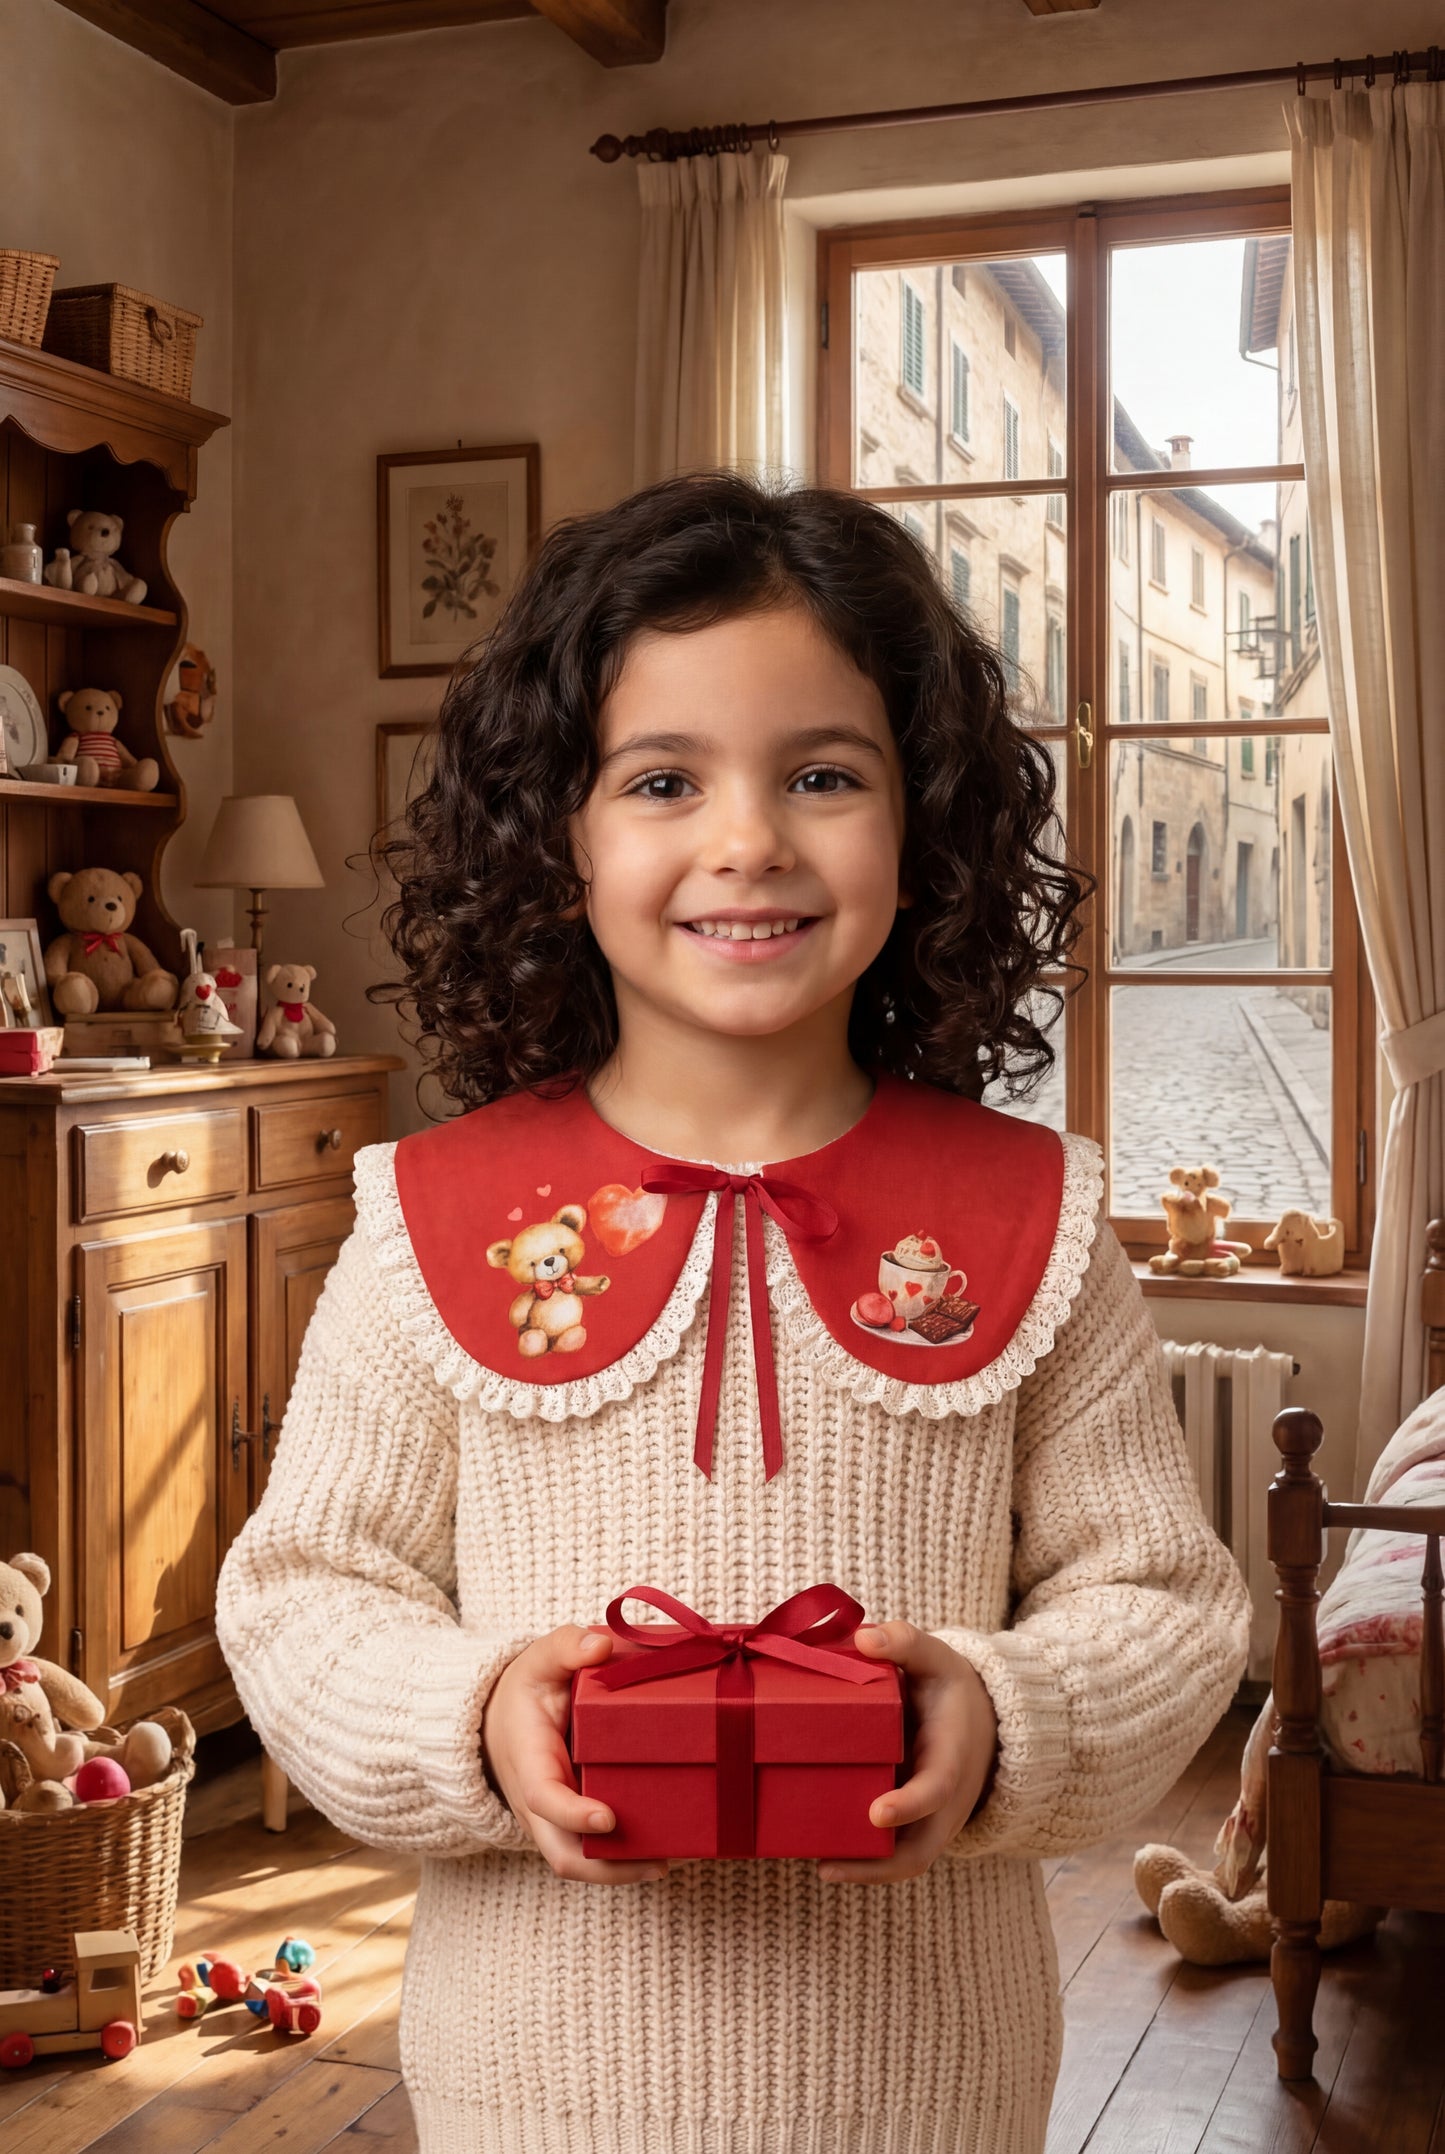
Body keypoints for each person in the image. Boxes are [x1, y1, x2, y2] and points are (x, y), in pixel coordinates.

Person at [216, 472, 1249, 2154]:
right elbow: (305, 1592)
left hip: (929, 2083)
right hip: (532, 2084)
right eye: (663, 779)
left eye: (823, 775)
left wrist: (1005, 1711)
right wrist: (474, 1711)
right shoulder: (431, 1218)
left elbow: (1162, 1597)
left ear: (922, 828)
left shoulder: (1035, 1216)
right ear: (559, 834)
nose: (748, 839)